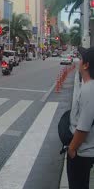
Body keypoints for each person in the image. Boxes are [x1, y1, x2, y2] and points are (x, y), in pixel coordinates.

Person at [67, 46, 94, 189]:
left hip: (81, 153)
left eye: (81, 58)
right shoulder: (88, 86)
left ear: (86, 64)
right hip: (83, 151)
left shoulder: (90, 89)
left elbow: (83, 127)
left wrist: (72, 149)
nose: (78, 60)